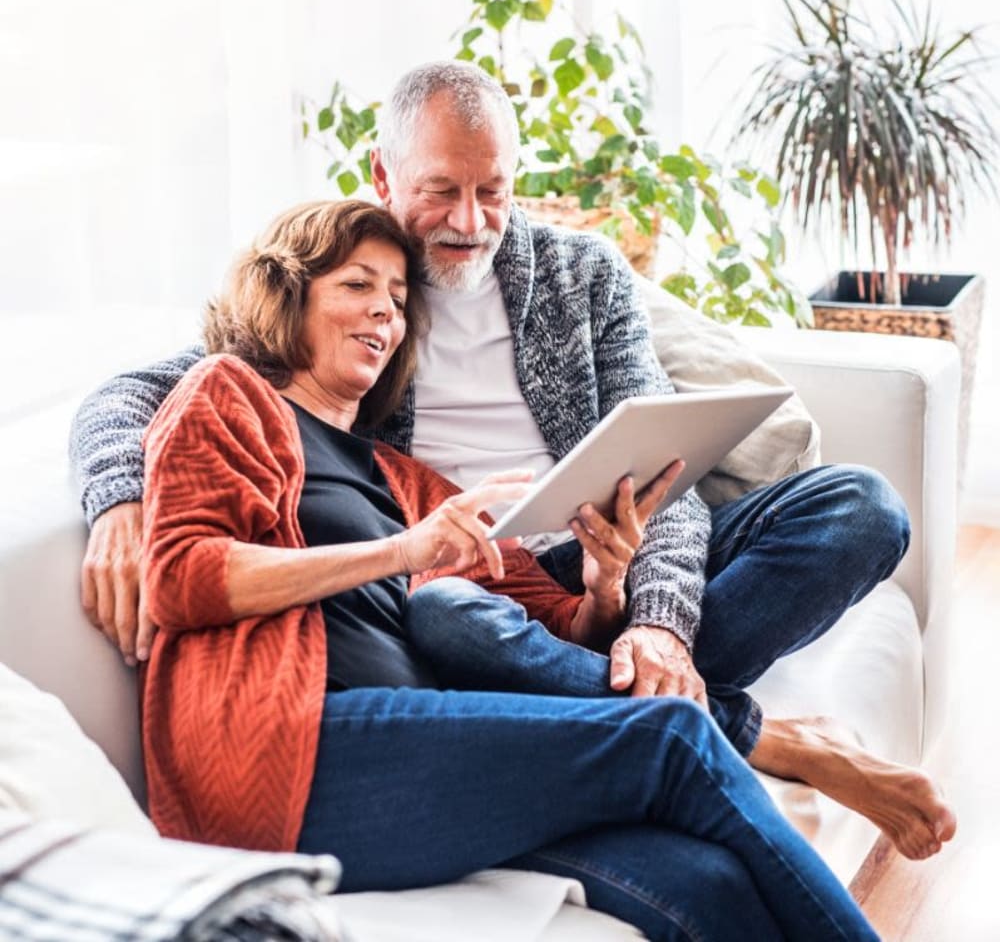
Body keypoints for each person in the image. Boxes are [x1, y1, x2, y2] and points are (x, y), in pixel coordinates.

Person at [70, 61, 955, 865]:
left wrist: (656, 618)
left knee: (861, 509)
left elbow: (669, 476)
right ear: (384, 177)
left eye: (492, 191)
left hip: (601, 548)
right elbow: (137, 393)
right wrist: (118, 501)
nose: (470, 221)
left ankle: (630, 695)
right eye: (442, 191)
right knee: (453, 619)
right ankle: (750, 735)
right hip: (471, 577)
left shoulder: (582, 275)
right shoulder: (345, 285)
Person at [139, 196, 880, 940]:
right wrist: (401, 552)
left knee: (705, 885)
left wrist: (602, 587)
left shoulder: (405, 480)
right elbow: (180, 578)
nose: (383, 315)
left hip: (433, 750)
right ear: (287, 290)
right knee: (673, 739)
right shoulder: (227, 396)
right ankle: (748, 735)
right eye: (357, 286)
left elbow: (559, 629)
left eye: (397, 299)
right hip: (296, 752)